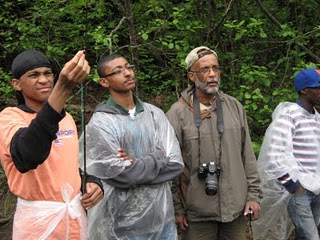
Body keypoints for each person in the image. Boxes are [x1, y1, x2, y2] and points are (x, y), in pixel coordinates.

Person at [0, 49, 104, 239]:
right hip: (38, 222)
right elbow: (27, 156)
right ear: (16, 84)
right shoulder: (10, 117)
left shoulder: (67, 118)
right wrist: (62, 90)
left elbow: (66, 166)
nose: (44, 80)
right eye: (34, 75)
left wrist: (91, 181)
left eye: (48, 73)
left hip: (73, 218)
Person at [79, 53, 184, 239]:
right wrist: (159, 156)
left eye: (128, 67)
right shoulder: (101, 124)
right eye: (118, 71)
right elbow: (121, 176)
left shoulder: (154, 115)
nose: (127, 73)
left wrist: (135, 163)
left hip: (161, 220)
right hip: (120, 224)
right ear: (104, 82)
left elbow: (175, 164)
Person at [166, 46, 261, 240]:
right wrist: (177, 207)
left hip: (236, 208)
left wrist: (253, 196)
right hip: (196, 213)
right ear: (192, 76)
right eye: (205, 70)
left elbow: (247, 156)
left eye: (215, 68)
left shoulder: (234, 107)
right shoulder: (177, 114)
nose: (212, 75)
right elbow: (171, 166)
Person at [252, 68, 320, 240]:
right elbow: (273, 157)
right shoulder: (289, 116)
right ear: (304, 90)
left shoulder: (316, 117)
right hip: (301, 192)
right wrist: (295, 188)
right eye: (318, 87)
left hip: (317, 190)